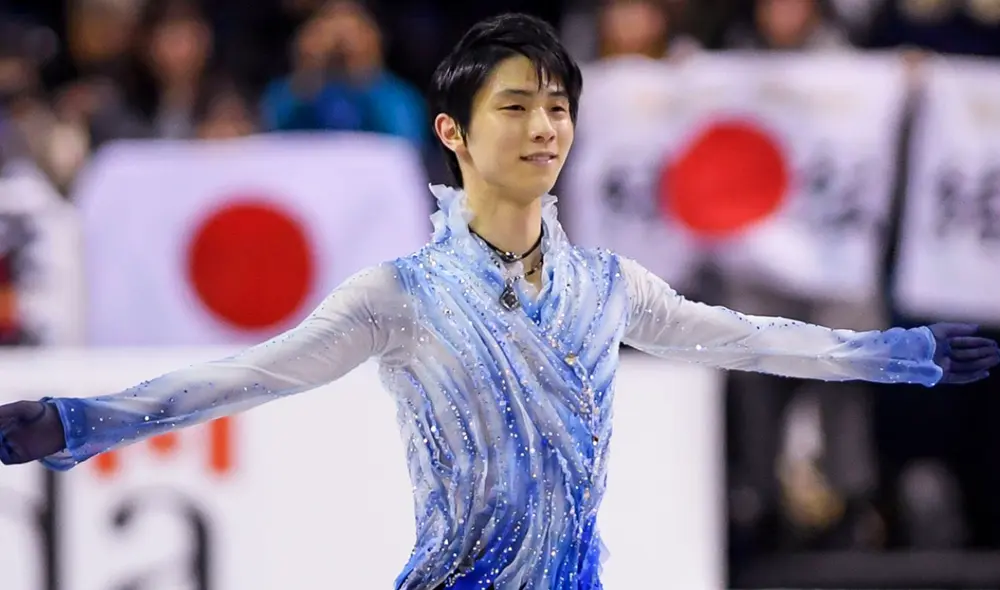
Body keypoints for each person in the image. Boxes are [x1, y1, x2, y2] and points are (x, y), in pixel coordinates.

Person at [1, 12, 998, 590]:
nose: (544, 128)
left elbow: (751, 337)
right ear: (454, 132)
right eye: (515, 106)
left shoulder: (609, 286)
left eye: (557, 107)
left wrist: (898, 353)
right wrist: (81, 420)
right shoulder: (400, 295)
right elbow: (246, 376)